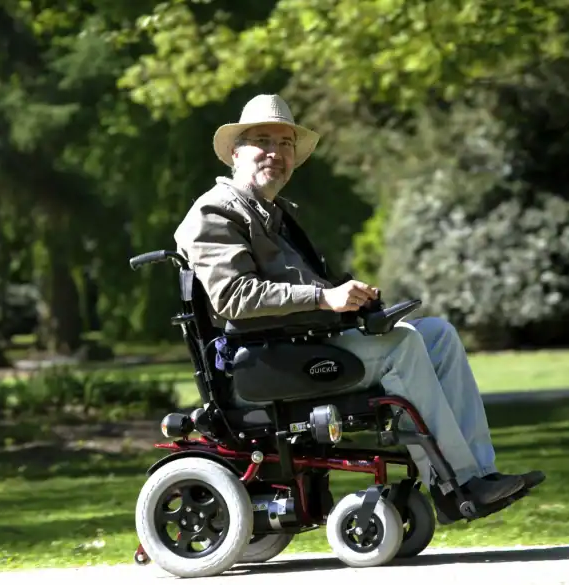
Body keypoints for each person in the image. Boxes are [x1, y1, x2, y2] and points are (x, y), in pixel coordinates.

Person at [173, 93, 545, 516]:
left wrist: (352, 299)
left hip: (301, 344)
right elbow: (233, 297)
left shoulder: (276, 214)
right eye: (264, 141)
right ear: (236, 153)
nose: (276, 153)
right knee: (402, 346)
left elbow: (311, 291)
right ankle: (455, 485)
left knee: (437, 334)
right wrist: (324, 297)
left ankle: (481, 472)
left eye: (287, 144)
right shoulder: (215, 214)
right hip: (264, 363)